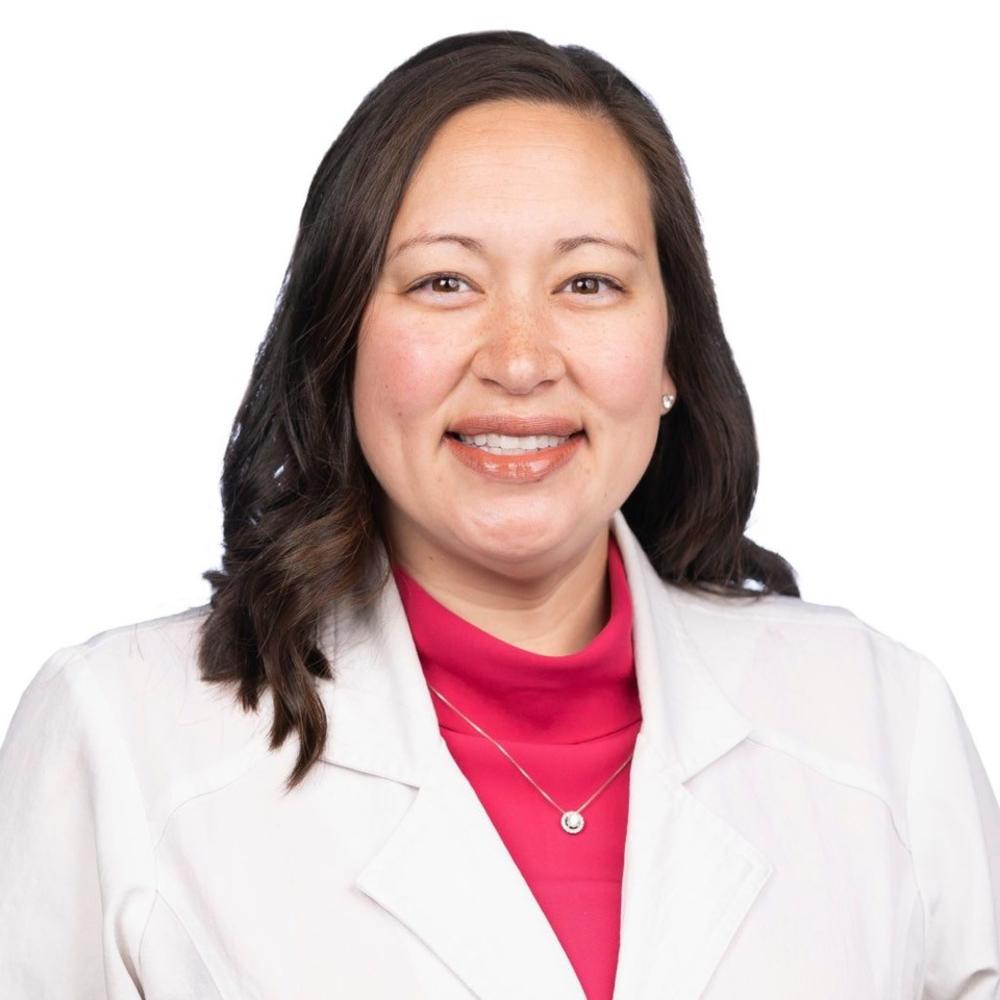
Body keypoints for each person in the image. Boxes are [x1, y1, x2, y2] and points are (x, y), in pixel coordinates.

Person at [1, 28, 997, 1000]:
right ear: (339, 335)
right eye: (444, 282)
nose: (520, 360)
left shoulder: (877, 721)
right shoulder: (122, 735)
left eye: (588, 282)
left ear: (671, 355)